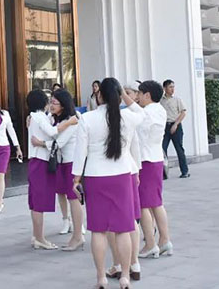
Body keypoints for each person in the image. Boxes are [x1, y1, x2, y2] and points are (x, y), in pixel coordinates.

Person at [72, 78, 144, 289]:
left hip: (95, 176)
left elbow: (80, 152)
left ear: (99, 95)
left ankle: (101, 278)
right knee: (123, 229)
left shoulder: (87, 118)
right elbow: (141, 113)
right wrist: (124, 95)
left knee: (99, 230)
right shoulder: (128, 117)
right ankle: (125, 277)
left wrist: (76, 179)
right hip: (121, 176)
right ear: (119, 95)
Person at [135, 81, 174, 259]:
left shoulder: (146, 113)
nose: (137, 97)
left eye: (139, 93)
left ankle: (150, 244)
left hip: (146, 160)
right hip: (156, 158)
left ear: (147, 95)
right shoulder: (160, 110)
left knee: (144, 204)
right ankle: (164, 240)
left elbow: (139, 135)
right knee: (156, 203)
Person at [44, 89, 84, 251]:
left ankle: (78, 235)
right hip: (61, 163)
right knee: (63, 194)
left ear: (63, 104)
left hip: (71, 163)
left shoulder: (73, 119)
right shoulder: (55, 118)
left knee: (74, 199)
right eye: (50, 102)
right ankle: (69, 225)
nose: (51, 105)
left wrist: (40, 143)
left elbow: (59, 142)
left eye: (54, 103)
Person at [25, 89, 59, 250]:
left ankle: (37, 235)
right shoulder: (38, 117)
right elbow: (53, 132)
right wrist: (69, 122)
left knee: (36, 201)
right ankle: (39, 238)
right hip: (41, 161)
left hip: (36, 161)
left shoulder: (35, 117)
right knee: (39, 202)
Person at [160, 80, 190, 178]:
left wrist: (175, 124)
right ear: (164, 88)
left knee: (179, 149)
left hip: (176, 126)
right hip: (165, 127)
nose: (172, 89)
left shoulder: (177, 99)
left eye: (173, 87)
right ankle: (164, 173)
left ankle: (185, 171)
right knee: (163, 149)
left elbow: (183, 113)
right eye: (170, 87)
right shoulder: (160, 101)